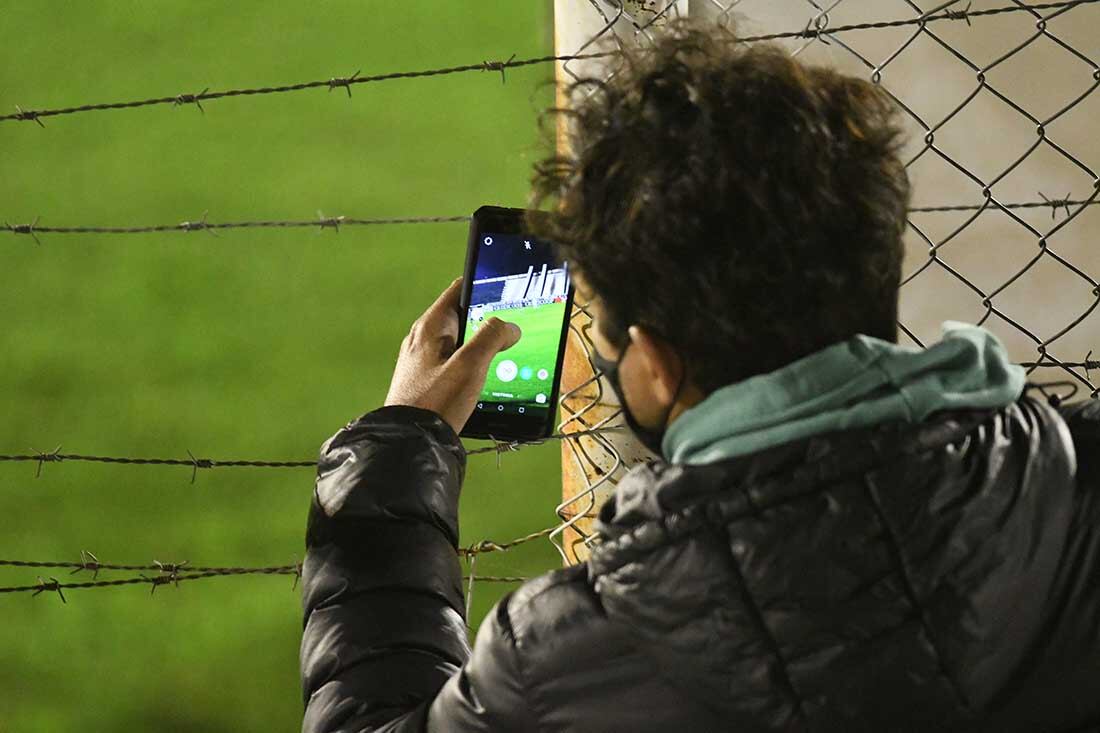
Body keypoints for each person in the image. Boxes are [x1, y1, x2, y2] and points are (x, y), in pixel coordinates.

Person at [298, 18, 1100, 733]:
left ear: (653, 364)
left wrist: (396, 457)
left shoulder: (569, 658)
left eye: (602, 324)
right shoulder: (1069, 478)